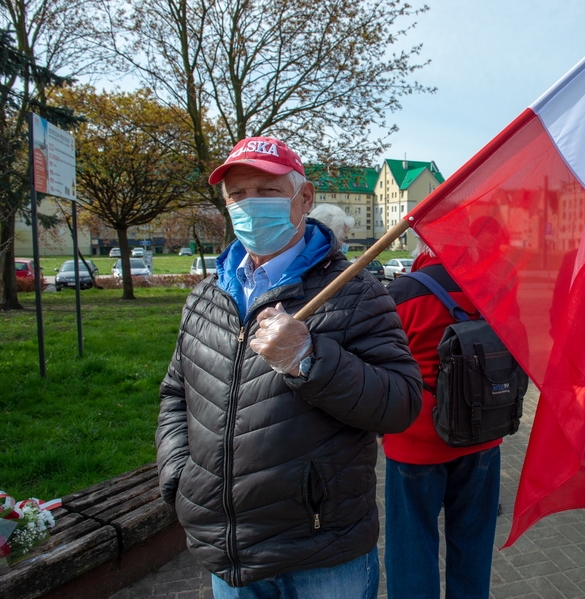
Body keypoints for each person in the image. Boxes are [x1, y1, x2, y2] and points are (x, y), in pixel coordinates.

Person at [156, 136, 422, 598]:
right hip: (229, 551)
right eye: (237, 194)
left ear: (306, 198)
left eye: (268, 190)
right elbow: (176, 396)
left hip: (321, 548)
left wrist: (309, 360)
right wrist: (179, 474)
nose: (250, 204)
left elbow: (401, 403)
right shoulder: (206, 297)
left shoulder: (357, 293)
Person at [382, 238, 501, 599]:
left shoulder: (402, 292)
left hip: (414, 442)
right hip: (483, 434)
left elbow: (380, 363)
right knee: (474, 543)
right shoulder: (494, 287)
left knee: (411, 547)